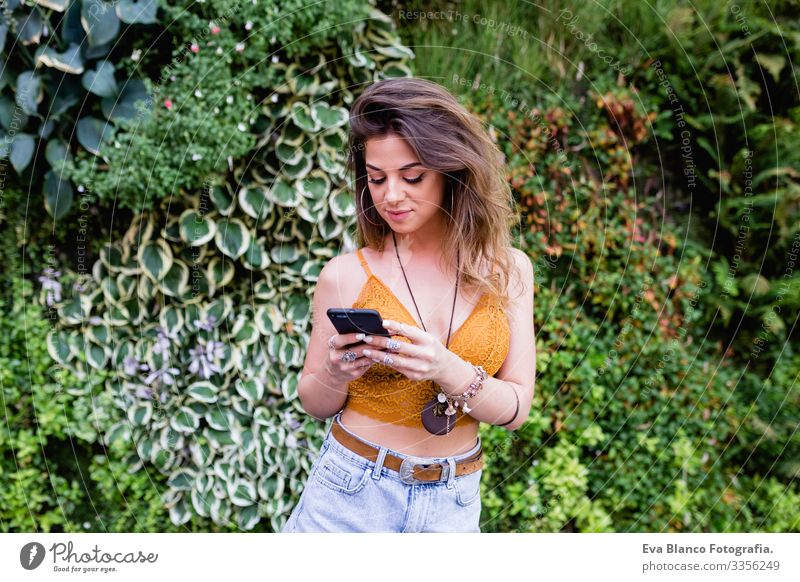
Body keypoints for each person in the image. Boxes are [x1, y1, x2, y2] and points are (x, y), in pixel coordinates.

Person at [282, 77, 536, 533]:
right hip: (350, 495)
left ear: (451, 171)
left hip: (454, 504)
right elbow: (314, 402)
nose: (390, 195)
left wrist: (446, 368)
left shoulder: (510, 270)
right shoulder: (344, 275)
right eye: (376, 178)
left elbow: (516, 410)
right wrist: (336, 374)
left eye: (412, 176)